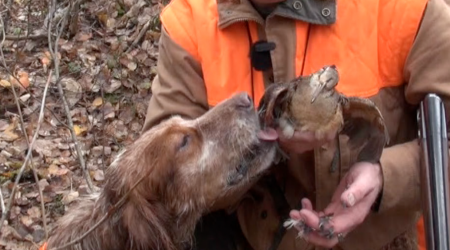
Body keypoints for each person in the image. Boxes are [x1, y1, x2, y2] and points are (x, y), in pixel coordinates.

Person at [142, 0, 450, 249]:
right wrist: (256, 149)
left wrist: (386, 177)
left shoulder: (405, 8)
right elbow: (153, 191)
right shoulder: (190, 23)